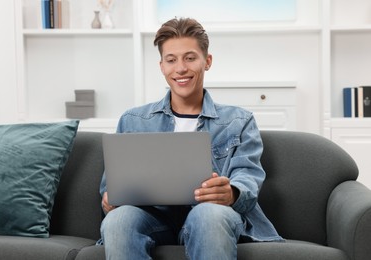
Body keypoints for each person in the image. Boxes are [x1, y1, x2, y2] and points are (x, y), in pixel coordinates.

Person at [99, 17, 283, 259]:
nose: (181, 69)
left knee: (208, 215)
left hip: (211, 215)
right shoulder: (133, 120)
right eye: (171, 60)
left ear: (207, 62)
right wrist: (110, 200)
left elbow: (248, 177)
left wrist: (231, 193)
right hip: (152, 219)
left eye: (190, 58)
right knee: (119, 219)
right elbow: (110, 187)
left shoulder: (239, 120)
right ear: (162, 66)